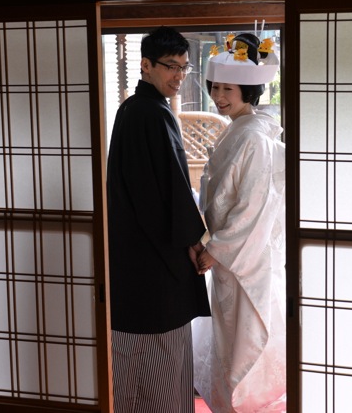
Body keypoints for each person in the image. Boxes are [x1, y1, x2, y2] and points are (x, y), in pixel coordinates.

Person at [106, 26, 210, 413]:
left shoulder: (133, 109)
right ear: (145, 65)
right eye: (171, 67)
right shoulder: (152, 113)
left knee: (130, 352)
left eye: (184, 68)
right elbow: (169, 190)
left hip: (131, 254)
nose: (179, 76)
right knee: (161, 350)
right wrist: (194, 242)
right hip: (156, 257)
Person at [193, 32, 286, 412]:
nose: (218, 97)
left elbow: (254, 205)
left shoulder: (253, 137)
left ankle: (245, 403)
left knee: (244, 333)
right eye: (215, 87)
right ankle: (231, 400)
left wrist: (216, 248)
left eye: (228, 89)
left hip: (244, 255)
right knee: (228, 331)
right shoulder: (240, 130)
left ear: (249, 92)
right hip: (231, 254)